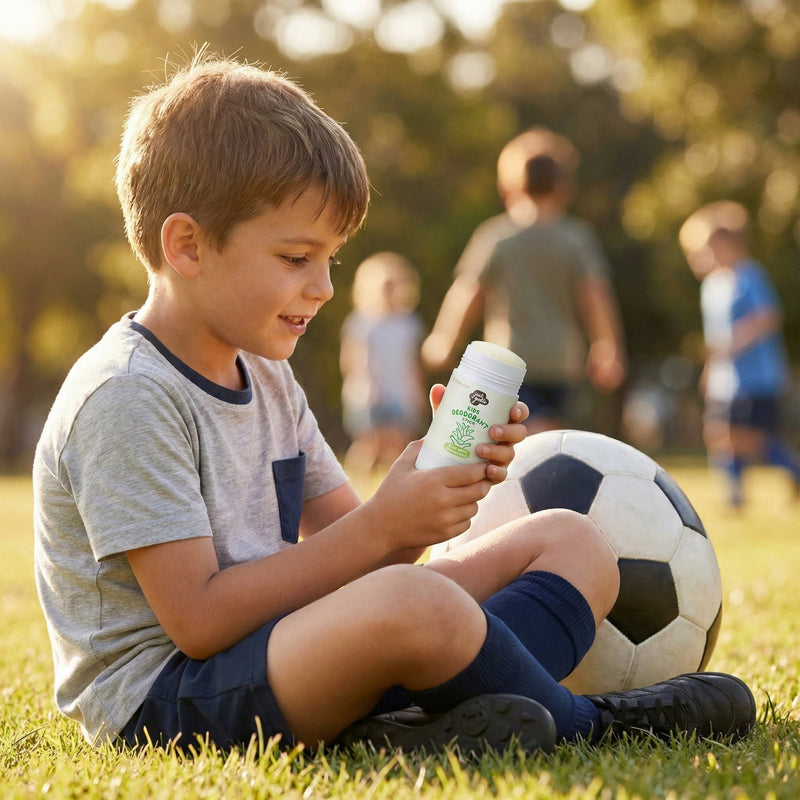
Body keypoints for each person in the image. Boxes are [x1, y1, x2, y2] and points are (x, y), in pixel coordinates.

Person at [33, 54, 755, 757]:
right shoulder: (128, 394)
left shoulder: (266, 373)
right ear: (187, 246)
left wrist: (431, 491)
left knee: (572, 542)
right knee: (413, 606)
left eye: (331, 260)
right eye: (295, 258)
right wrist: (383, 530)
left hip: (284, 651)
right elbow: (199, 619)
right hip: (171, 700)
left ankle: (415, 720)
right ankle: (584, 724)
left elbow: (370, 555)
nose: (323, 288)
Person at [421, 129, 626, 434]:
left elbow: (468, 292)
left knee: (526, 436)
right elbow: (595, 295)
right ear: (563, 186)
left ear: (508, 184)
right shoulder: (576, 238)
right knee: (547, 435)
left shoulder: (496, 236)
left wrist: (444, 339)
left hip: (508, 360)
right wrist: (608, 347)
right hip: (562, 361)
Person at [680, 200, 800, 508]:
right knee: (718, 433)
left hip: (757, 376)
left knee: (749, 438)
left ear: (726, 243)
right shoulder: (711, 285)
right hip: (725, 379)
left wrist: (734, 343)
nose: (702, 255)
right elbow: (715, 337)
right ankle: (734, 497)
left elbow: (768, 317)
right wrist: (710, 368)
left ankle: (795, 472)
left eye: (707, 246)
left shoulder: (749, 276)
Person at [339, 252, 426, 477]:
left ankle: (394, 485)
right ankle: (353, 483)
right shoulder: (361, 322)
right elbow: (351, 360)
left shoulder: (408, 323)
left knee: (399, 443)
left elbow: (412, 363)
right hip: (368, 393)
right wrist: (361, 387)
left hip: (399, 392)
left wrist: (417, 393)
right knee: (369, 444)